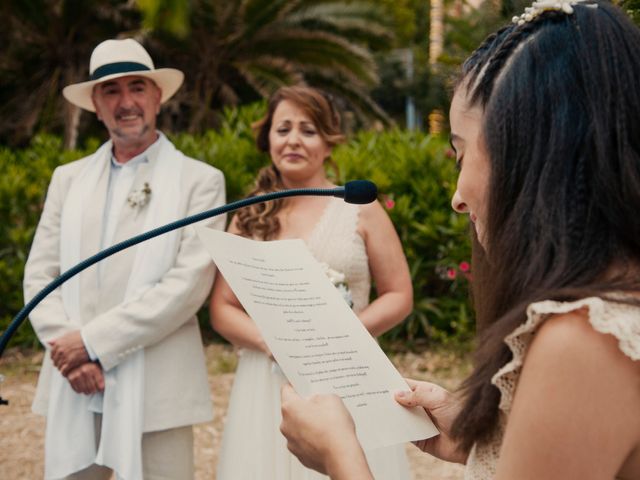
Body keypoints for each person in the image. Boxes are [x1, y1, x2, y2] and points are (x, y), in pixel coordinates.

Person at [279, 1, 640, 479]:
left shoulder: (582, 339)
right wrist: (475, 442)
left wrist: (340, 454)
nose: (457, 196)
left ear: (530, 159)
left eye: (461, 152)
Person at [23, 38, 226, 480]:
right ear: (95, 104)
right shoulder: (67, 179)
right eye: (111, 91)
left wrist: (93, 343)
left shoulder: (200, 182)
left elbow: (186, 287)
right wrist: (70, 353)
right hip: (74, 381)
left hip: (158, 386)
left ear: (158, 96)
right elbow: (40, 275)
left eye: (137, 87)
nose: (126, 101)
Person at [209, 85, 414, 479]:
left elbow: (399, 294)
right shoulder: (248, 213)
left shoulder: (360, 209)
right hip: (266, 381)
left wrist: (343, 334)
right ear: (267, 138)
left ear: (329, 141)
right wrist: (274, 344)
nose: (293, 140)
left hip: (346, 376)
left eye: (308, 129)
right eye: (283, 128)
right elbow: (222, 308)